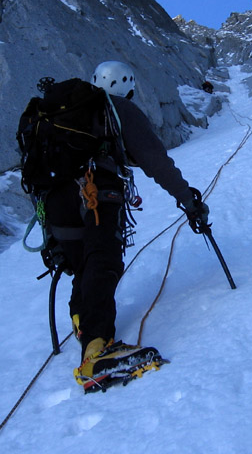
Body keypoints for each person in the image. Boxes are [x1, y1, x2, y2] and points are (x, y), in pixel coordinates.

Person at [41, 60, 209, 385]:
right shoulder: (117, 109)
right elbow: (155, 160)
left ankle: (82, 320)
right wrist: (188, 200)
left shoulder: (65, 116)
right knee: (103, 260)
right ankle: (96, 353)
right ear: (126, 86)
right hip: (97, 190)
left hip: (56, 199)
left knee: (83, 263)